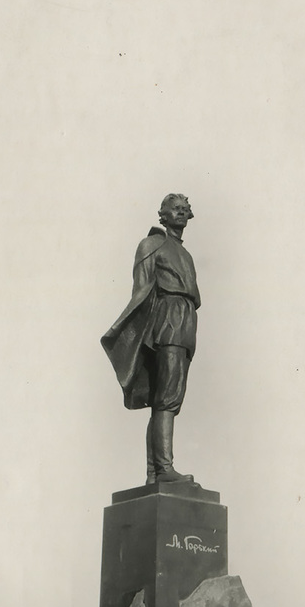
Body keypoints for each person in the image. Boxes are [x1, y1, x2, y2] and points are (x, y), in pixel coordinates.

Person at [101, 193, 200, 484]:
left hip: (185, 322)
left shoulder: (186, 255)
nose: (181, 214)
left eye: (185, 210)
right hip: (167, 321)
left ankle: (154, 473)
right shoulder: (152, 244)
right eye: (175, 209)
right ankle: (164, 469)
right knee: (167, 399)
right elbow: (140, 292)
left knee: (166, 401)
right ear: (163, 215)